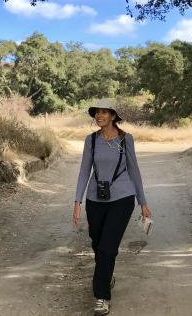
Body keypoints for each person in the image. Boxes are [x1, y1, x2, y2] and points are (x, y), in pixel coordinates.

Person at [72, 99, 151, 315]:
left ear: (113, 116)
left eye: (105, 112)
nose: (99, 116)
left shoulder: (126, 140)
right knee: (97, 244)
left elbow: (134, 171)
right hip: (95, 199)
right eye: (97, 112)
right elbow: (84, 171)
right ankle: (106, 276)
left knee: (108, 247)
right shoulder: (91, 140)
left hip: (122, 198)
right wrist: (77, 201)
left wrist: (142, 202)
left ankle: (101, 297)